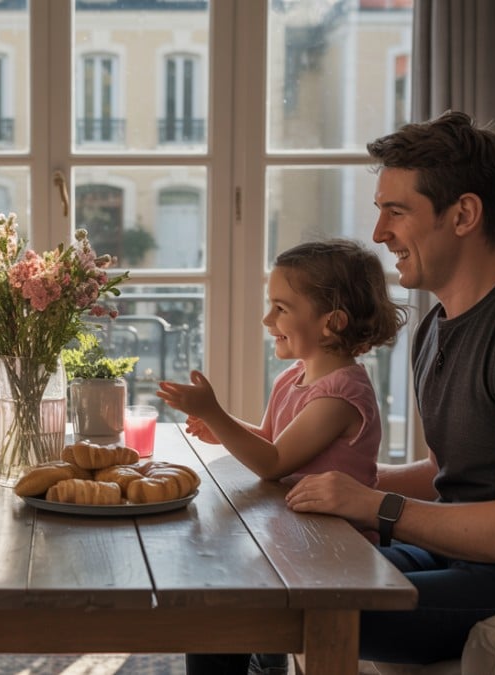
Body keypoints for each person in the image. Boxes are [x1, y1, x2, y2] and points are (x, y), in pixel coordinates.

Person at [282, 111, 495, 665]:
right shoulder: (437, 325)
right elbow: (447, 472)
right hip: (463, 558)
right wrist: (328, 482)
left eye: (397, 212)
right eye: (379, 211)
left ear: (464, 214)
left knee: (320, 606)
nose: (379, 233)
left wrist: (373, 504)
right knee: (269, 575)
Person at [160, 238, 406, 675]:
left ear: (331, 323)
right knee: (213, 597)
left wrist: (215, 413)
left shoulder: (341, 395)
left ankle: (264, 657)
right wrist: (225, 429)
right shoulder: (294, 377)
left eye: (281, 308)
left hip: (334, 551)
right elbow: (274, 442)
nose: (267, 319)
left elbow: (273, 462)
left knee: (215, 618)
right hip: (293, 538)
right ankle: (265, 658)